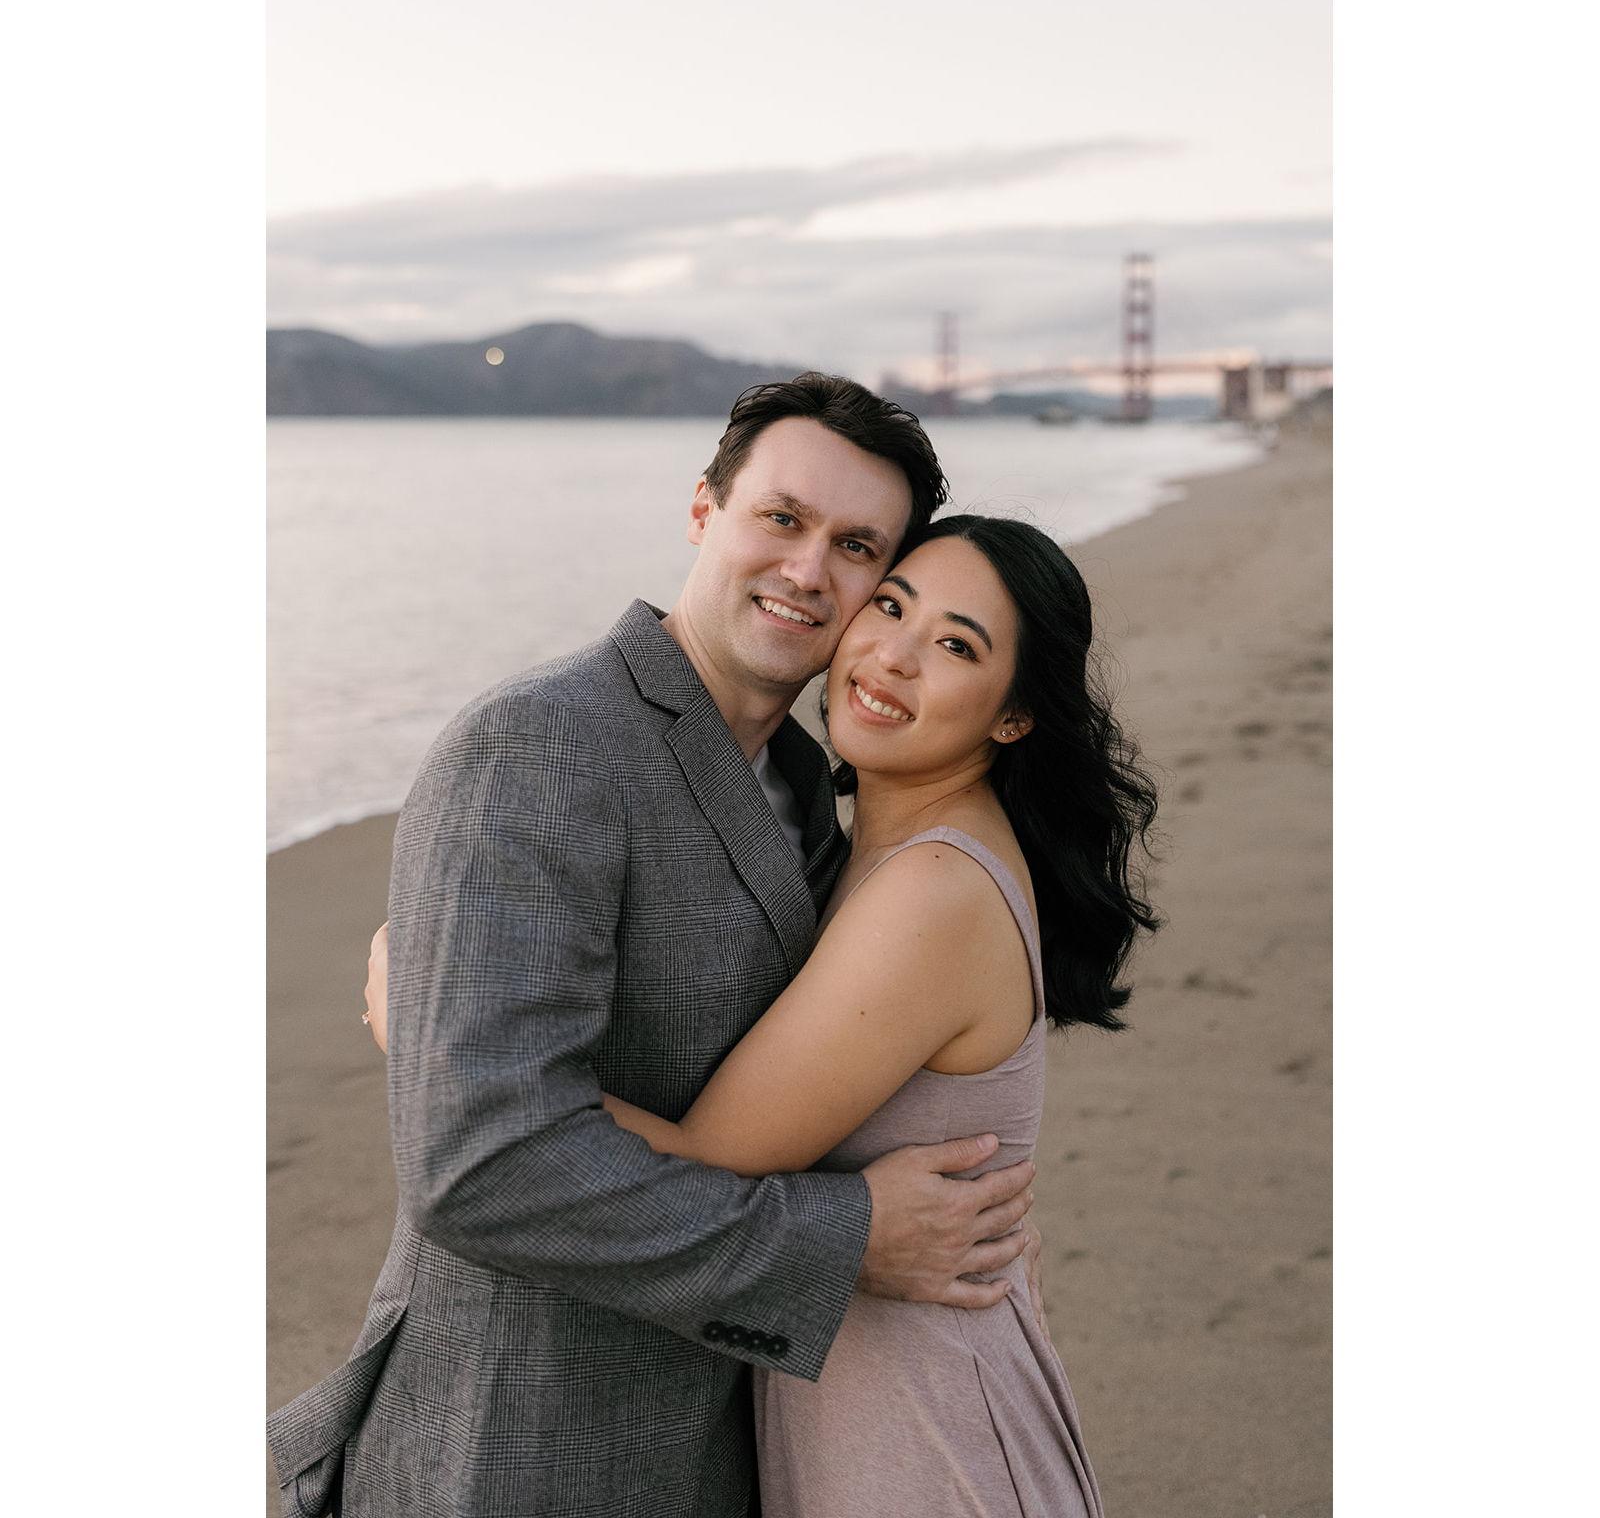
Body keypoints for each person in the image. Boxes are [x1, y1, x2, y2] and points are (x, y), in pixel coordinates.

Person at [267, 375, 1042, 1518]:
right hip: (519, 1444)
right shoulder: (538, 744)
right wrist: (847, 1238)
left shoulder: (807, 791)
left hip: (721, 1448)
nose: (807, 569)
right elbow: (481, 1165)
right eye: (780, 517)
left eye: (854, 547)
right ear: (702, 510)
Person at [362, 513, 1162, 1515]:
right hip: (856, 1387)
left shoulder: (933, 890)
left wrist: (432, 1035)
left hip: (918, 1424)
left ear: (1012, 717)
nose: (894, 656)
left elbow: (708, 1155)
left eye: (957, 647)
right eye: (891, 606)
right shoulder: (855, 845)